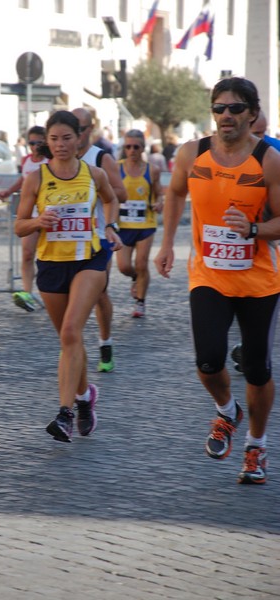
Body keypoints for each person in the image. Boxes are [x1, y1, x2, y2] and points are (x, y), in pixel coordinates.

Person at [154, 77, 280, 485]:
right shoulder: (192, 154)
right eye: (219, 108)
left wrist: (253, 231)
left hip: (258, 279)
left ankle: (256, 447)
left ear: (252, 114)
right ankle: (228, 412)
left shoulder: (268, 160)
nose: (226, 115)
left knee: (257, 369)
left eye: (235, 108)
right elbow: (174, 194)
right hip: (208, 274)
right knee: (208, 362)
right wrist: (168, 243)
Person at [15, 110, 122, 443]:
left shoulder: (94, 174)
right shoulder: (36, 178)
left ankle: (64, 414)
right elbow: (19, 226)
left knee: (73, 329)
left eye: (66, 138)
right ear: (46, 142)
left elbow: (112, 199)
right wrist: (37, 222)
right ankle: (85, 396)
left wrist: (109, 225)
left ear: (79, 139)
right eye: (53, 139)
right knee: (68, 338)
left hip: (90, 259)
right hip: (51, 264)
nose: (60, 145)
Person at [72, 107, 127, 372]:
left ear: (90, 129)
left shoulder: (101, 158)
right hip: (67, 237)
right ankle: (72, 344)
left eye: (81, 128)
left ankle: (105, 342)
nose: (76, 134)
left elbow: (121, 193)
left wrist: (94, 185)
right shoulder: (60, 156)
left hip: (99, 235)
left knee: (98, 291)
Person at [231, 109, 280, 373]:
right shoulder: (225, 152)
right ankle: (248, 346)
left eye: (261, 133)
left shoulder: (274, 153)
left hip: (271, 233)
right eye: (253, 132)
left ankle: (255, 355)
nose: (256, 138)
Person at [0, 125, 49, 312]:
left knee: (48, 256)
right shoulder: (27, 160)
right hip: (30, 215)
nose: (35, 146)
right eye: (32, 142)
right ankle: (27, 293)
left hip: (49, 214)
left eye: (39, 142)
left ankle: (53, 292)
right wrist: (8, 191)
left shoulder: (51, 161)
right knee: (27, 254)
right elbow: (23, 180)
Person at [117, 129, 163, 318]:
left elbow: (159, 193)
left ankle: (140, 303)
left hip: (145, 224)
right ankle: (137, 278)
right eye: (128, 147)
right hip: (123, 225)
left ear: (143, 148)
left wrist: (159, 202)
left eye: (136, 147)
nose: (132, 150)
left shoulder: (152, 170)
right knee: (124, 266)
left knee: (142, 263)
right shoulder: (116, 167)